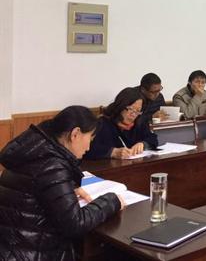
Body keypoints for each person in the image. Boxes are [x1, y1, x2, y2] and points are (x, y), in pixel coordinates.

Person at [0, 106, 124, 260]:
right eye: (90, 139)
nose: (88, 147)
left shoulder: (34, 152)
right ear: (75, 134)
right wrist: (111, 201)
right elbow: (75, 224)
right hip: (32, 253)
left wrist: (66, 190)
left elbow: (35, 190)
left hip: (12, 248)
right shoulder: (52, 165)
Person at [85, 87, 158, 159]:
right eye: (130, 109)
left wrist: (143, 144)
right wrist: (112, 152)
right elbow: (88, 149)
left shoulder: (139, 122)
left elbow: (153, 138)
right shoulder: (103, 123)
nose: (133, 115)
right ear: (120, 106)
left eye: (138, 111)